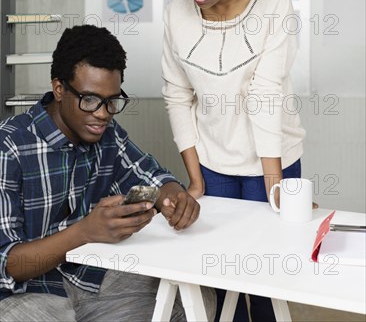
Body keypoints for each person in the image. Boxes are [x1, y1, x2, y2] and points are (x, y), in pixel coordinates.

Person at [144, 0, 305, 322]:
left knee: (266, 284)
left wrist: (272, 181)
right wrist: (195, 176)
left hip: (271, 160)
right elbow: (178, 94)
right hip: (213, 163)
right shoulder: (178, 13)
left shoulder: (272, 0)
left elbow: (265, 92)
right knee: (216, 283)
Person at [0, 25, 216, 322]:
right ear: (59, 89)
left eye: (112, 100)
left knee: (195, 298)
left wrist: (174, 197)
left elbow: (152, 178)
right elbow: (9, 262)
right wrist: (85, 231)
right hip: (28, 293)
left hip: (91, 276)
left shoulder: (106, 134)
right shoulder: (9, 146)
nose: (103, 113)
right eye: (89, 100)